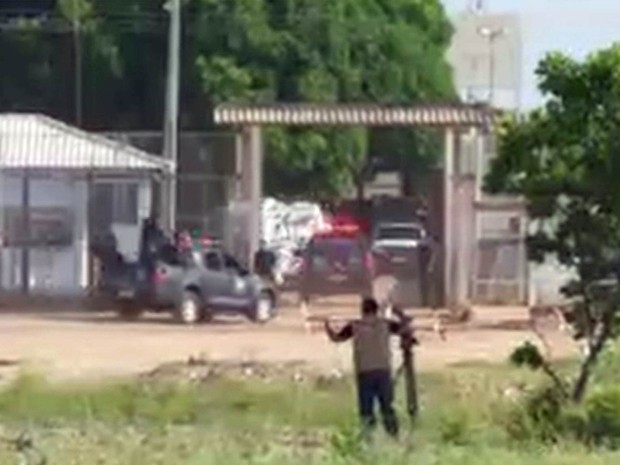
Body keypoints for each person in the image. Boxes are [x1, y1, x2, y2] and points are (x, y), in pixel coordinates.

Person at [324, 297, 411, 438]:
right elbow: (404, 330)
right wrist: (401, 316)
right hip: (383, 371)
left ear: (362, 310)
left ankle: (367, 438)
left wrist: (327, 327)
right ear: (376, 310)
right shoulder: (386, 324)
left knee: (366, 410)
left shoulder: (355, 326)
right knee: (387, 407)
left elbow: (336, 338)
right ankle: (394, 436)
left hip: (365, 372)